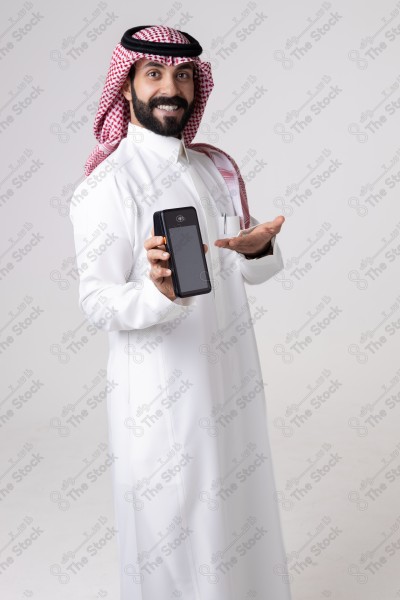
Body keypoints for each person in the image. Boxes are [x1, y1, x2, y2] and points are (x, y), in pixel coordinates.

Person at [69, 24, 292, 600]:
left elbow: (252, 273)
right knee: (171, 535)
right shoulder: (107, 186)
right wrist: (156, 295)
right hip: (159, 397)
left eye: (184, 75)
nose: (172, 87)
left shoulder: (214, 171)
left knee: (240, 522)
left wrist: (257, 247)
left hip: (231, 385)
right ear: (126, 88)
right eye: (155, 74)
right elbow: (96, 299)